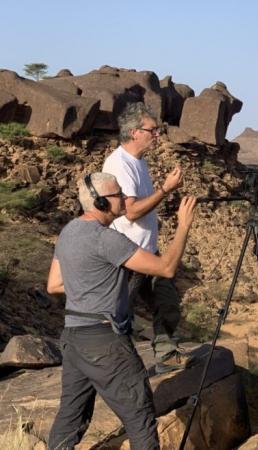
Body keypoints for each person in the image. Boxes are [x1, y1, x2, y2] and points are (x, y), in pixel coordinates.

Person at [46, 172, 196, 450]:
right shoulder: (108, 240)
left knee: (70, 419)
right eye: (119, 194)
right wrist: (184, 226)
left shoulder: (68, 232)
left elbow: (54, 285)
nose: (126, 198)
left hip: (74, 339)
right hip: (106, 343)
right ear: (101, 202)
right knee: (140, 419)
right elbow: (166, 268)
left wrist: (88, 285)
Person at [102, 102, 187, 374]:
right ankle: (113, 368)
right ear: (135, 132)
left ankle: (166, 354)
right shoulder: (119, 163)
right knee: (119, 314)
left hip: (147, 251)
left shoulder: (139, 162)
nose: (157, 135)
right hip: (127, 255)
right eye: (153, 130)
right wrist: (165, 188)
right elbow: (131, 211)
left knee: (167, 302)